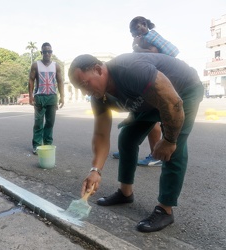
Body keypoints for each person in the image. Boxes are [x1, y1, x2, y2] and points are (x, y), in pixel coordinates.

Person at [68, 53, 203, 232]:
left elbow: (171, 101)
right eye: (80, 89)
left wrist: (169, 140)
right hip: (151, 101)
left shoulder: (131, 70)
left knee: (174, 148)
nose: (85, 92)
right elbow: (101, 134)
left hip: (183, 91)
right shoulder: (98, 97)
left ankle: (165, 209)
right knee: (127, 137)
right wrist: (95, 170)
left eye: (85, 84)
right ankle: (125, 193)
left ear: (99, 70)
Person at [113, 16, 180, 167]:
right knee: (138, 114)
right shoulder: (142, 38)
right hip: (153, 79)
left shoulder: (147, 38)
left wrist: (137, 49)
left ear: (145, 25)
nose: (138, 30)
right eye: (134, 29)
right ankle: (127, 148)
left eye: (140, 26)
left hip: (158, 80)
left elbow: (154, 53)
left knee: (150, 118)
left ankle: (155, 155)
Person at [28, 42, 64, 154]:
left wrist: (62, 97)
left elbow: (60, 81)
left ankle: (48, 144)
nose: (47, 53)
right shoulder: (36, 65)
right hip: (39, 97)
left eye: (50, 51)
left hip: (52, 97)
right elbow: (31, 80)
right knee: (38, 123)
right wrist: (30, 96)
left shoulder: (56, 66)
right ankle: (37, 145)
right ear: (41, 52)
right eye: (45, 51)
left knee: (50, 123)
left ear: (52, 52)